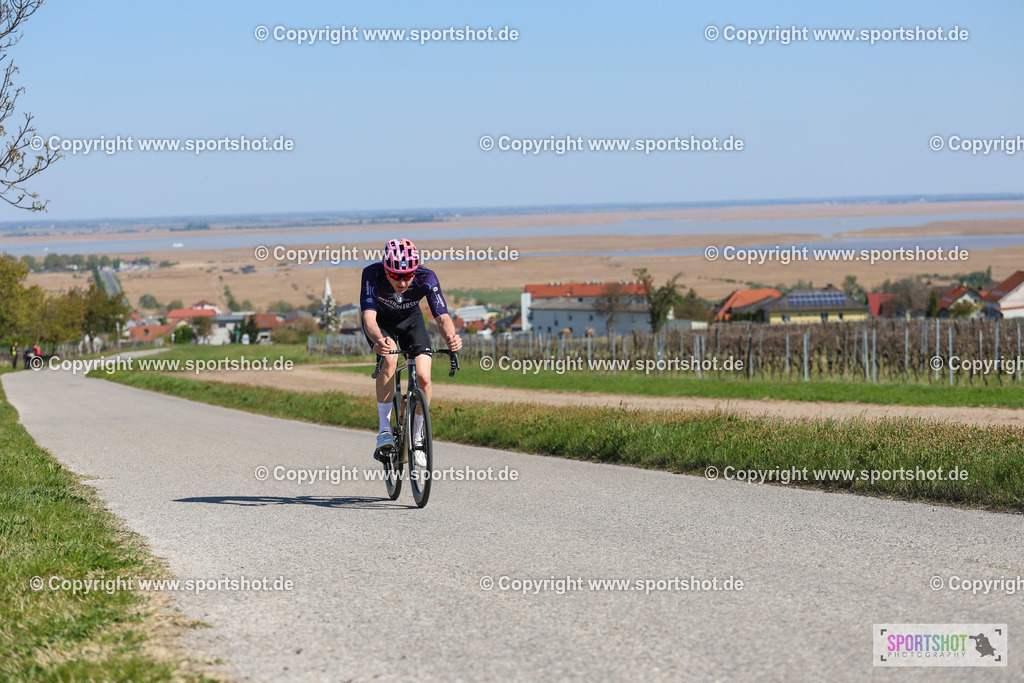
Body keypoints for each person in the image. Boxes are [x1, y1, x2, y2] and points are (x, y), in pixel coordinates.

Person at [361, 238, 462, 465]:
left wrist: (451, 337)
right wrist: (378, 340)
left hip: (411, 320)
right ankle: (384, 429)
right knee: (389, 359)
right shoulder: (372, 274)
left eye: (408, 275)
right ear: (386, 270)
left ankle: (417, 437)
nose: (402, 281)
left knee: (424, 377)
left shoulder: (427, 277)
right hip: (381, 322)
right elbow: (369, 317)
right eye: (396, 275)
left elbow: (442, 317)